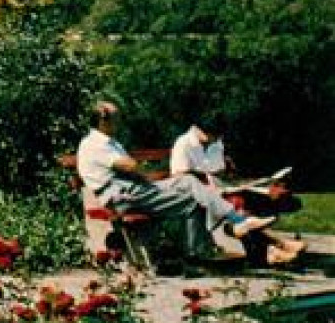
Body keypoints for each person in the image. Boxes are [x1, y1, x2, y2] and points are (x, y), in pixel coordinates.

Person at [77, 101, 272, 259]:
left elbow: (132, 169)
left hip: (134, 190)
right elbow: (130, 166)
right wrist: (137, 170)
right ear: (103, 120)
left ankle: (231, 227)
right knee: (194, 197)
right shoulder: (95, 143)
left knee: (189, 183)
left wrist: (141, 174)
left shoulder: (109, 142)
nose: (120, 121)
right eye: (117, 117)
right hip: (122, 197)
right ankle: (216, 238)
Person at [169, 119, 306, 266]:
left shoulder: (216, 143)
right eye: (211, 134)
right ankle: (274, 247)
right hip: (195, 193)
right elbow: (179, 177)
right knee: (238, 205)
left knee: (257, 198)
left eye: (218, 135)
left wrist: (234, 177)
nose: (215, 139)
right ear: (197, 128)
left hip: (219, 189)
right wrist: (207, 179)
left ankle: (269, 251)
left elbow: (220, 171)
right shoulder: (184, 143)